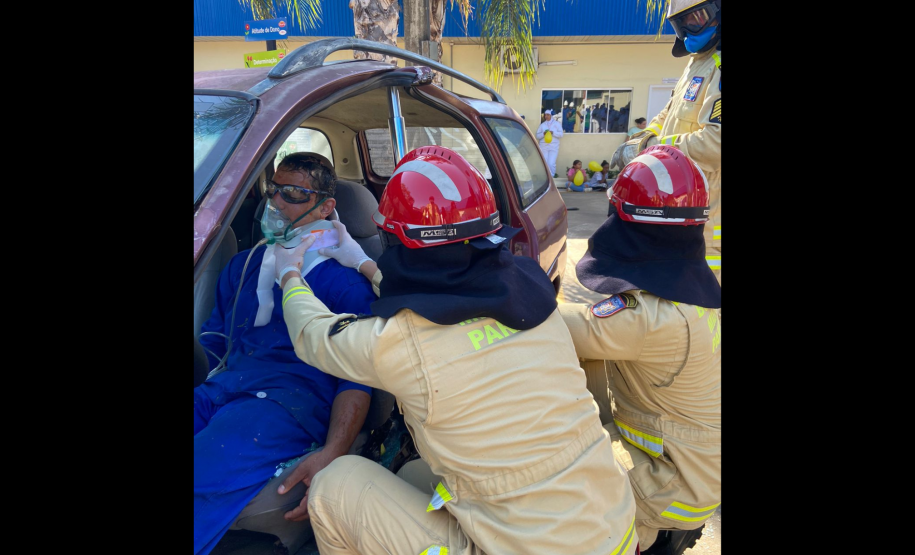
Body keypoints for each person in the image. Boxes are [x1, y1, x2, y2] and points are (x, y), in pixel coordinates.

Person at [271, 147, 639, 555]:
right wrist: (363, 265)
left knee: (334, 486)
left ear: (396, 242)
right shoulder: (531, 294)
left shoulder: (399, 345)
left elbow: (311, 334)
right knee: (413, 474)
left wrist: (289, 273)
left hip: (525, 547)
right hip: (612, 526)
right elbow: (441, 296)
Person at [194, 153, 375, 555]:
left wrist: (334, 451)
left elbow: (358, 377)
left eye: (293, 193)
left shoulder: (344, 284)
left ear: (326, 206)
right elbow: (215, 341)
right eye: (273, 190)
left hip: (286, 404)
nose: (275, 202)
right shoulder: (243, 265)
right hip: (223, 388)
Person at [559, 145, 721, 555]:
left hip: (675, 487)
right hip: (694, 468)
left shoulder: (647, 319)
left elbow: (552, 326)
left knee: (550, 509)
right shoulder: (693, 298)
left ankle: (639, 538)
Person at [616, 0, 721, 284]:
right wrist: (642, 138)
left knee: (707, 292)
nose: (688, 29)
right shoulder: (697, 63)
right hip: (681, 208)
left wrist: (656, 147)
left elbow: (716, 143)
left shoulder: (719, 68)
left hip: (711, 216)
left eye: (696, 18)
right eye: (680, 23)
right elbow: (669, 112)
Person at [536, 109, 564, 178]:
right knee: (544, 162)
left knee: (551, 163)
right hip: (544, 146)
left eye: (548, 115)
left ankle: (552, 177)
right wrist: (543, 134)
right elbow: (537, 135)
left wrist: (553, 133)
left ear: (551, 115)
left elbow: (561, 134)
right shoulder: (542, 125)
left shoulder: (556, 124)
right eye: (545, 115)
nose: (546, 116)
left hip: (553, 146)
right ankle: (545, 177)